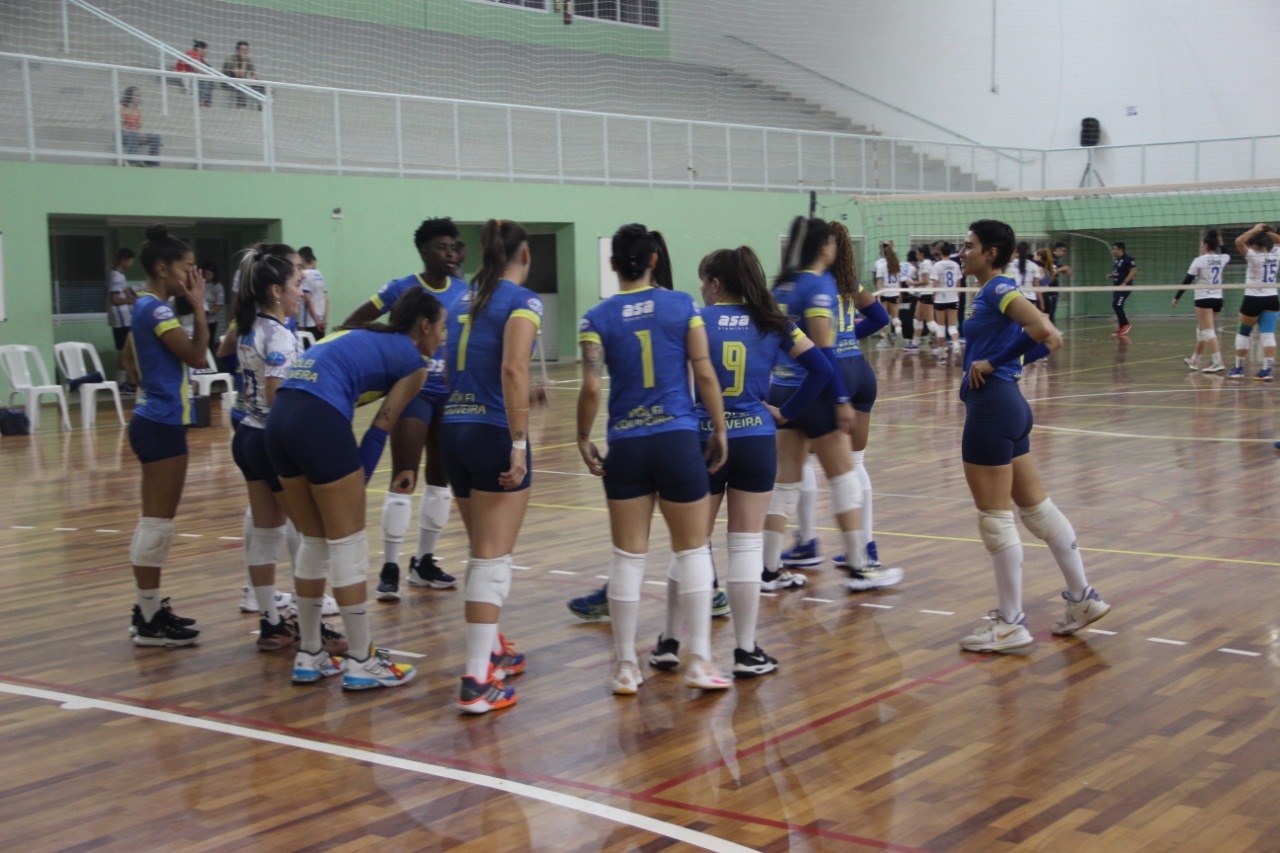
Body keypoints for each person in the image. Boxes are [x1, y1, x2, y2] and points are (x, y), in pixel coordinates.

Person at [576, 223, 730, 695]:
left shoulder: (595, 318)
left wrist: (582, 436)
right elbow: (704, 372)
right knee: (693, 551)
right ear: (653, 261)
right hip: (677, 440)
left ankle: (626, 667)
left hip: (627, 443)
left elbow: (591, 385)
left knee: (626, 558)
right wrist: (720, 427)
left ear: (613, 264)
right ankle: (699, 659)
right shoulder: (683, 305)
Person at [266, 288, 443, 689]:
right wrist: (355, 485)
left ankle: (309, 654)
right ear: (425, 325)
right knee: (348, 543)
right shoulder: (416, 364)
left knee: (313, 541)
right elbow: (381, 427)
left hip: (280, 420)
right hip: (317, 420)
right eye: (444, 327)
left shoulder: (356, 331)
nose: (444, 337)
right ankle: (362, 661)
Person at [958, 219, 1110, 652]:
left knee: (995, 520)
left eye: (968, 246)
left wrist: (993, 363)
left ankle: (1010, 623)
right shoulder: (993, 291)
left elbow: (1044, 333)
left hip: (991, 410)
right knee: (1037, 511)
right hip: (1010, 406)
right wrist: (1007, 363)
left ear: (990, 252)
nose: (961, 252)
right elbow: (1052, 338)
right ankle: (1082, 598)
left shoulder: (997, 289)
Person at [681, 245, 833, 676]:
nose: (700, 288)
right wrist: (787, 413)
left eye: (702, 280)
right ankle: (746, 651)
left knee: (693, 545)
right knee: (745, 546)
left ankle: (685, 646)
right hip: (755, 438)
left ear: (714, 283)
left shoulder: (694, 319)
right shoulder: (775, 322)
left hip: (705, 438)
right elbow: (822, 370)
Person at [763, 217, 899, 596]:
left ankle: (769, 569)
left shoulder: (782, 285)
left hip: (782, 388)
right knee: (844, 479)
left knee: (786, 483)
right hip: (817, 393)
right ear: (825, 247)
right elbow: (823, 355)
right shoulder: (819, 284)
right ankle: (859, 565)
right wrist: (840, 398)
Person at [228, 244, 348, 654]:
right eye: (298, 285)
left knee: (265, 532)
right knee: (314, 536)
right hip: (269, 439)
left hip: (245, 434)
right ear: (277, 291)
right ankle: (313, 633)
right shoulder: (279, 336)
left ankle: (272, 623)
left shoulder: (247, 326)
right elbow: (279, 400)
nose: (304, 292)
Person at [443, 219, 542, 713]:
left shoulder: (462, 297)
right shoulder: (522, 301)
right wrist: (519, 442)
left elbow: (449, 366)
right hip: (491, 431)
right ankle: (478, 678)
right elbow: (512, 367)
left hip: (453, 429)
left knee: (483, 548)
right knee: (492, 558)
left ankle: (494, 647)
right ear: (523, 256)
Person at [344, 219, 466, 601]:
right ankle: (391, 565)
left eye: (454, 247)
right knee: (405, 477)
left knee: (440, 481)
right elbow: (353, 322)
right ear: (425, 252)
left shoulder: (465, 291)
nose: (450, 254)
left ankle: (424, 561)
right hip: (412, 391)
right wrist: (389, 333)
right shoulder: (401, 288)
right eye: (442, 247)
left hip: (450, 395)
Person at [118, 225, 209, 646]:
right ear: (161, 268)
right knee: (156, 525)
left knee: (158, 524)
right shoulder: (156, 310)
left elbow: (128, 359)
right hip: (160, 425)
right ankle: (148, 617)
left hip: (156, 420)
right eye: (187, 268)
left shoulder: (147, 309)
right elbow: (196, 357)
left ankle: (149, 609)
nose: (193, 276)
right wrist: (200, 308)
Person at [1172, 231, 1230, 373]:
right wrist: (1222, 245)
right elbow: (1228, 255)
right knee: (1202, 330)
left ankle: (1218, 361)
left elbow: (1187, 280)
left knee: (1208, 331)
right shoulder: (1221, 258)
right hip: (1218, 299)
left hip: (1204, 299)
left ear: (1205, 245)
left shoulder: (1199, 260)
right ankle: (1195, 360)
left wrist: (1177, 297)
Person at [1228, 224, 1278, 381]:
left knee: (1243, 332)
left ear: (1253, 246)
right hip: (1272, 299)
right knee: (1268, 334)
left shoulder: (1254, 257)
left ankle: (1238, 368)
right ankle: (1267, 370)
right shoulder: (1276, 254)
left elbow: (1238, 241)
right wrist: (1268, 232)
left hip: (1253, 299)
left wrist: (1256, 229)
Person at [107, 247, 137, 391]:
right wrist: (130, 301)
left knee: (128, 349)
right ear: (124, 260)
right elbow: (115, 299)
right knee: (124, 350)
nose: (131, 264)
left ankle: (125, 380)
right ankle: (120, 383)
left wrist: (134, 296)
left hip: (126, 318)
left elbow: (126, 290)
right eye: (131, 261)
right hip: (120, 319)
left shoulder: (120, 275)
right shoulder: (115, 276)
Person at [930, 241, 963, 358]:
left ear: (940, 252)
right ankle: (956, 346)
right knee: (952, 326)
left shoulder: (937, 265)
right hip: (953, 298)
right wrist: (957, 296)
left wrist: (933, 295)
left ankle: (941, 354)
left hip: (940, 299)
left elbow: (935, 283)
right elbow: (959, 283)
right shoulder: (955, 265)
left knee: (941, 326)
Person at [119, 86, 162, 167]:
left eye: (140, 96)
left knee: (155, 136)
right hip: (123, 135)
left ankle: (151, 162)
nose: (139, 98)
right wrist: (134, 132)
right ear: (130, 96)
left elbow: (139, 127)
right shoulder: (121, 108)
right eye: (136, 95)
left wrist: (142, 133)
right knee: (133, 134)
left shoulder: (139, 110)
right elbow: (118, 128)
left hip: (134, 135)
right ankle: (131, 161)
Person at [874, 241, 903, 346]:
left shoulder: (881, 266)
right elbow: (899, 282)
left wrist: (878, 296)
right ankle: (899, 334)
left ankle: (883, 341)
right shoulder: (897, 265)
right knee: (896, 317)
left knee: (884, 318)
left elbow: (879, 282)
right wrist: (900, 294)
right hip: (895, 293)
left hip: (884, 293)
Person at [297, 247, 328, 341]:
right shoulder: (320, 275)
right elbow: (327, 300)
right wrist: (323, 320)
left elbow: (308, 300)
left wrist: (316, 320)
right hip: (321, 321)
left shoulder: (305, 275)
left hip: (309, 322)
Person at [1107, 241, 1137, 336]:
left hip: (1124, 288)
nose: (1112, 251)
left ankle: (1126, 324)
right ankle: (1121, 328)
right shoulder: (1117, 260)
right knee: (1117, 305)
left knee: (1117, 305)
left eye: (1114, 249)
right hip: (1116, 287)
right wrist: (1111, 275)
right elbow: (1119, 273)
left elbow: (1133, 271)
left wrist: (1125, 282)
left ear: (1120, 249)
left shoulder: (1128, 259)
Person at [222, 40, 262, 109]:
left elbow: (254, 74)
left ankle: (261, 105)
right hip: (228, 82)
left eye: (246, 50)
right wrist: (244, 61)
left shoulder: (248, 60)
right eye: (243, 50)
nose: (245, 52)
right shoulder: (230, 59)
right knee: (240, 81)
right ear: (237, 50)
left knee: (260, 84)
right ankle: (241, 106)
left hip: (240, 82)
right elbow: (239, 74)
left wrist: (254, 79)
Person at [173, 40, 212, 107]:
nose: (207, 52)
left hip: (190, 76)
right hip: (181, 75)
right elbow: (196, 69)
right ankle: (201, 102)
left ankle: (206, 102)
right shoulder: (192, 53)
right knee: (204, 80)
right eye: (206, 50)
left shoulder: (201, 59)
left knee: (209, 79)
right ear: (201, 49)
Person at [200, 262, 225, 345]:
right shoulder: (199, 283)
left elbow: (219, 304)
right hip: (199, 318)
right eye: (204, 274)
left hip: (211, 320)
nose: (206, 276)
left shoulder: (218, 287)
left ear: (214, 275)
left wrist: (208, 312)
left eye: (209, 274)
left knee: (210, 342)